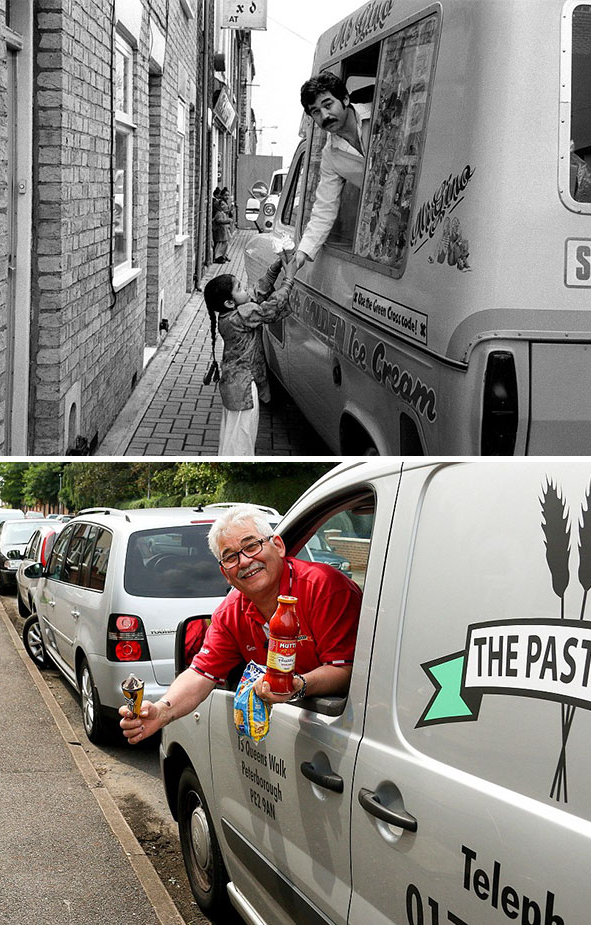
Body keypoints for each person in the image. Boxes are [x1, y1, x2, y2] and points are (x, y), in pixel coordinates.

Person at [119, 504, 362, 745]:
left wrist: (298, 685)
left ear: (277, 545)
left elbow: (348, 671)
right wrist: (162, 711)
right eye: (231, 557)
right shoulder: (230, 612)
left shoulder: (324, 588)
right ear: (225, 573)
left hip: (346, 730)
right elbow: (200, 674)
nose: (245, 561)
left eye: (251, 546)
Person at [204, 256, 293, 455]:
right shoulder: (242, 316)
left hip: (233, 386)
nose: (246, 289)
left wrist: (274, 268)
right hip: (244, 388)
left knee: (231, 437)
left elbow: (255, 292)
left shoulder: (228, 316)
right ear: (229, 302)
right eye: (240, 288)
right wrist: (289, 279)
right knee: (242, 441)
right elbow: (269, 310)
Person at [287, 72, 372, 277]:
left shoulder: (379, 113)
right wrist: (301, 254)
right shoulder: (330, 155)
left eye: (328, 105)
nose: (324, 116)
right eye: (315, 111)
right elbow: (325, 207)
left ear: (345, 99)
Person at [212, 200, 232, 264]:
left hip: (223, 232)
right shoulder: (218, 213)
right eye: (222, 205)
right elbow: (219, 221)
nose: (224, 206)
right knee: (220, 245)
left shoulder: (222, 212)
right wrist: (227, 221)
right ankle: (218, 257)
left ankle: (223, 255)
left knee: (225, 244)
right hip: (220, 232)